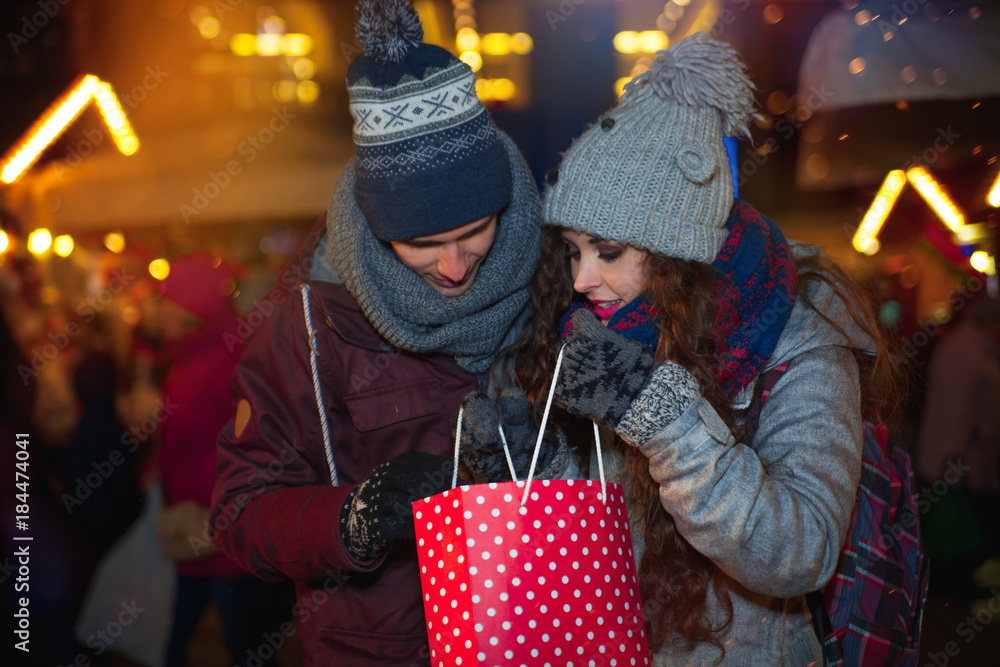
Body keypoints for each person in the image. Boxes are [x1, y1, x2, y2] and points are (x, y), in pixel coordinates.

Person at [510, 34, 901, 665]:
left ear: (675, 252)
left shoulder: (800, 345)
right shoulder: (611, 327)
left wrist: (668, 423)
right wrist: (533, 461)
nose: (581, 280)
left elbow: (803, 551)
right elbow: (602, 531)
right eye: (573, 251)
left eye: (607, 252)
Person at [210, 1, 568, 664]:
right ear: (376, 229)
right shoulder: (313, 319)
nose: (455, 267)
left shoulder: (558, 272)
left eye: (474, 232)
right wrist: (358, 515)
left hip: (545, 624)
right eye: (422, 243)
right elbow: (239, 512)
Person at [154, 253, 290, 666]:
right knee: (183, 635)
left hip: (222, 531)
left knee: (243, 640)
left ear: (191, 305)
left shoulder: (226, 359)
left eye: (166, 297)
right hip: (197, 524)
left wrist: (218, 505)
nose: (157, 308)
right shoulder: (190, 355)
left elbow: (256, 443)